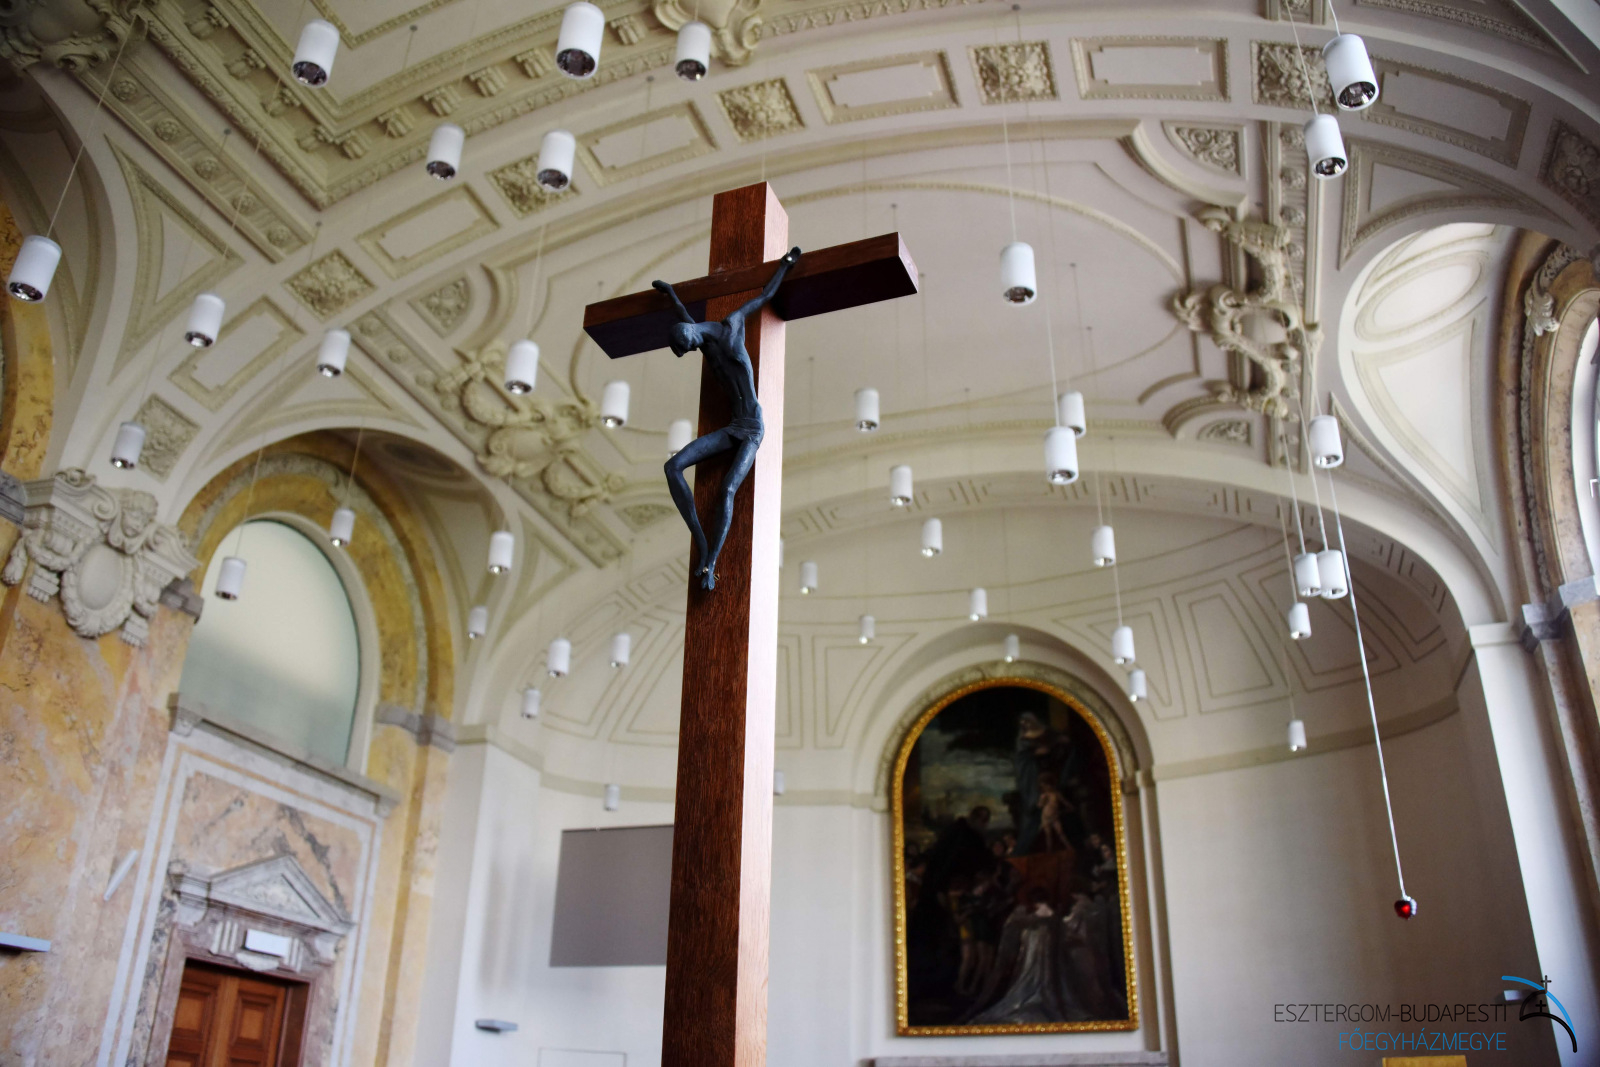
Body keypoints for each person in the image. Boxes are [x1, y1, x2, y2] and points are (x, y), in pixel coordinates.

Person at [653, 245, 802, 590]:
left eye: (689, 346)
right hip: (732, 426)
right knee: (672, 467)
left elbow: (764, 296)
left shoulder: (732, 325)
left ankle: (710, 562)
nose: (692, 351)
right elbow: (684, 316)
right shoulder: (701, 340)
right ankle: (700, 539)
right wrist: (671, 294)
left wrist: (785, 264)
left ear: (691, 334)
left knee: (728, 488)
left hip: (752, 428)